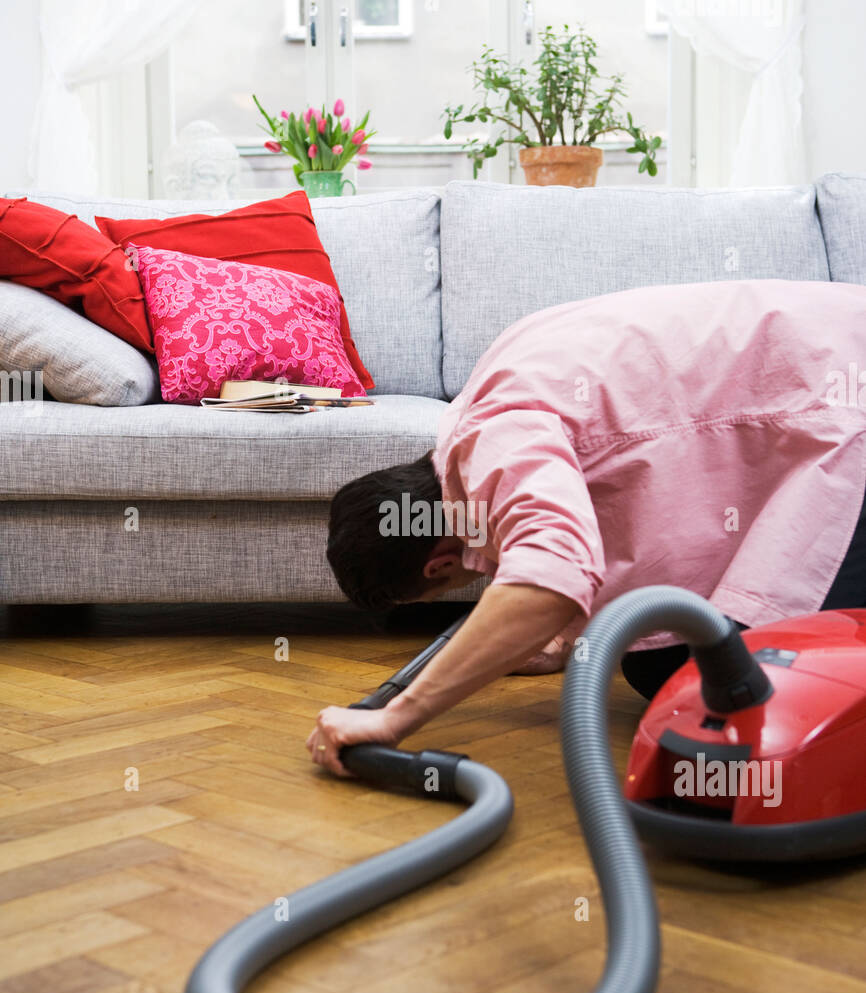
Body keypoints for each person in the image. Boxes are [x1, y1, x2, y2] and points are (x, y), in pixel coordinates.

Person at [307, 278, 866, 776]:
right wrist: (563, 637)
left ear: (439, 565)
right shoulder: (482, 406)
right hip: (807, 375)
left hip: (839, 393)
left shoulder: (497, 439)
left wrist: (397, 716)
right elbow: (612, 499)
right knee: (655, 663)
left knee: (746, 698)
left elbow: (549, 574)